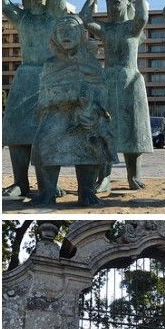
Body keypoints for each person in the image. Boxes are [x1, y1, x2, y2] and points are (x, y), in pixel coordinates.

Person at [2, 0, 67, 198]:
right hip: (26, 77)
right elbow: (4, 3)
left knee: (50, 131)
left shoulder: (54, 16)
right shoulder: (23, 19)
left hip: (50, 76)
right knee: (17, 130)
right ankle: (21, 181)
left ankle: (48, 182)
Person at [30, 14, 113, 206]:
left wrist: (92, 109)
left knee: (91, 138)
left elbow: (101, 89)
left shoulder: (91, 63)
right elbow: (44, 94)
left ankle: (87, 191)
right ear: (55, 36)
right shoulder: (50, 64)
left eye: (71, 30)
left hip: (85, 115)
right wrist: (64, 97)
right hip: (56, 114)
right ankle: (47, 192)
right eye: (61, 31)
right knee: (43, 140)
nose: (66, 34)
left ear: (81, 34)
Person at [82, 0, 153, 192]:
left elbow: (142, 16)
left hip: (131, 80)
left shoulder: (133, 27)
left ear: (128, 2)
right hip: (109, 79)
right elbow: (85, 19)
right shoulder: (106, 29)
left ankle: (134, 175)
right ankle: (104, 177)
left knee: (134, 128)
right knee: (106, 129)